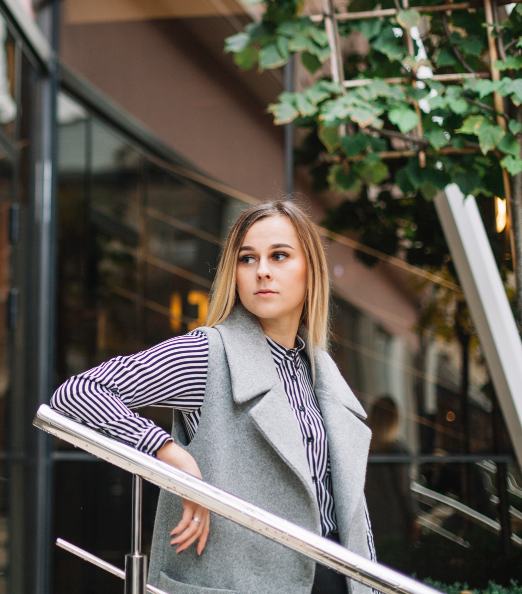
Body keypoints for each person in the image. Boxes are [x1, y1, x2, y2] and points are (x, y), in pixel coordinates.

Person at [51, 199, 377, 594]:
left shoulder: (319, 370)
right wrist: (173, 456)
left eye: (279, 255)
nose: (262, 271)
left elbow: (350, 510)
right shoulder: (208, 354)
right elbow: (78, 393)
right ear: (234, 274)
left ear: (310, 271)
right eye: (247, 259)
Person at [365, 397, 420, 551]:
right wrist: (414, 517)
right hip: (395, 522)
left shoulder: (362, 448)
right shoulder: (396, 451)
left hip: (369, 520)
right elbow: (404, 490)